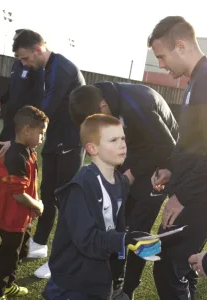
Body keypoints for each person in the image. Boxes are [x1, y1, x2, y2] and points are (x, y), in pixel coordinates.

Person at [69, 81, 178, 298]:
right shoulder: (97, 96)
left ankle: (126, 291)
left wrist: (133, 172)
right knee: (114, 224)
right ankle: (111, 280)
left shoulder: (137, 104)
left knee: (138, 233)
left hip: (159, 165)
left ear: (102, 107)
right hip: (135, 159)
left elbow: (168, 146)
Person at [42, 114, 162, 300]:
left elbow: (116, 227)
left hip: (102, 278)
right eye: (113, 140)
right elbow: (86, 240)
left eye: (123, 138)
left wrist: (130, 243)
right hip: (73, 283)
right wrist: (124, 239)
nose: (122, 144)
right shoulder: (80, 187)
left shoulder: (122, 182)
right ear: (92, 148)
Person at [12, 29, 85, 278]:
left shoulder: (62, 68)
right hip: (54, 141)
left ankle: (60, 260)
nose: (25, 64)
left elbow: (47, 108)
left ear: (38, 49)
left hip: (72, 143)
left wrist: (21, 137)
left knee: (66, 201)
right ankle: (40, 244)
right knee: (48, 195)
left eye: (25, 58)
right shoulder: (45, 68)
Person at [149, 16, 207, 300]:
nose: (160, 64)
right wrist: (171, 169)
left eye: (161, 56)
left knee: (169, 269)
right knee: (181, 268)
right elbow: (192, 142)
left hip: (197, 196)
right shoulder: (196, 78)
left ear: (180, 45)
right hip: (191, 191)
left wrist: (181, 195)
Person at [0, 29, 44, 222]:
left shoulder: (37, 68)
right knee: (2, 170)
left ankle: (21, 211)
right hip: (9, 125)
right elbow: (11, 88)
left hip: (23, 130)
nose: (15, 46)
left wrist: (21, 137)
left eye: (18, 42)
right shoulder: (17, 64)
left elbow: (39, 101)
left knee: (21, 172)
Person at [0, 105, 48, 300]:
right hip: (11, 216)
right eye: (41, 133)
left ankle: (9, 285)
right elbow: (18, 195)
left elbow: (30, 184)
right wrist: (37, 205)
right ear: (27, 130)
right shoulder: (17, 155)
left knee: (19, 252)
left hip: (22, 215)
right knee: (8, 257)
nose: (42, 138)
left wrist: (35, 202)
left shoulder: (28, 151)